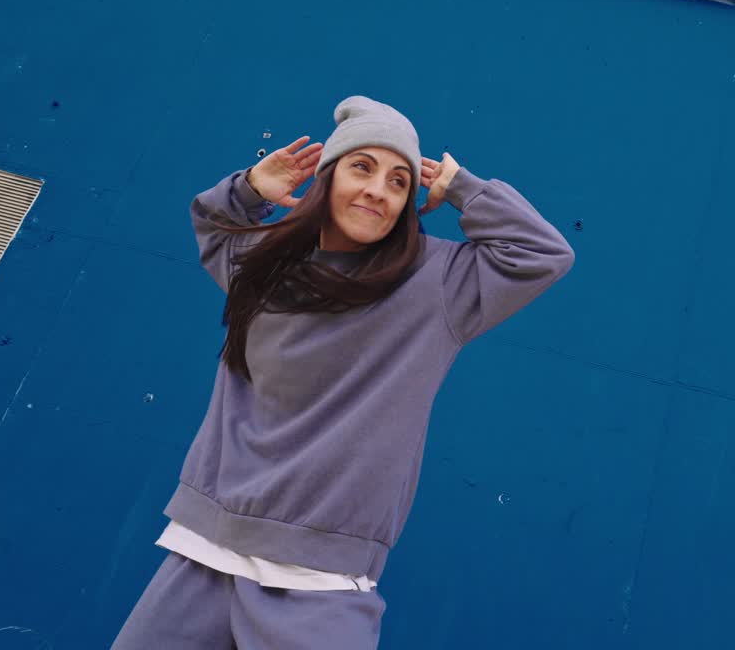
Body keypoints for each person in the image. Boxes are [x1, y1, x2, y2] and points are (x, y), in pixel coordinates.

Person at [111, 95, 575, 648]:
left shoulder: (440, 285)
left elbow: (542, 254)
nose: (378, 190)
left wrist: (463, 187)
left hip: (320, 580)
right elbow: (214, 222)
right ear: (326, 179)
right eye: (362, 167)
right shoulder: (265, 265)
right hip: (206, 549)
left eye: (399, 181)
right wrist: (252, 188)